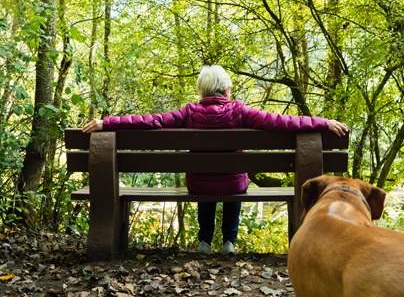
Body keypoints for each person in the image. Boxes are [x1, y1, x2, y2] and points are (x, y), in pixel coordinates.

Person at [82, 65, 348, 255]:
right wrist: (324, 122)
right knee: (235, 182)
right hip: (234, 186)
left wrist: (107, 122)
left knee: (204, 181)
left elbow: (150, 120)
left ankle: (204, 241)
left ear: (202, 90)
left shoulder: (188, 112)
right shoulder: (241, 112)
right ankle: (229, 242)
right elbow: (284, 122)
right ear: (227, 89)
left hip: (199, 186)